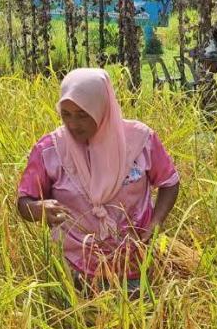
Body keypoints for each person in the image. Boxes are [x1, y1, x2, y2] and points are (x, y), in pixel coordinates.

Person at [16, 68, 181, 293]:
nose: (73, 124)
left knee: (137, 321)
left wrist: (157, 222)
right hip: (75, 268)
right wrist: (38, 209)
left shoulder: (140, 141)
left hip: (134, 262)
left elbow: (170, 182)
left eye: (83, 114)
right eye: (66, 114)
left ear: (103, 108)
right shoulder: (50, 150)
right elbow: (24, 202)